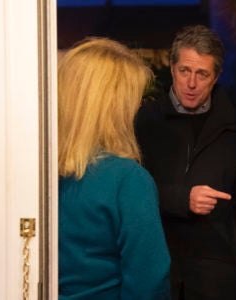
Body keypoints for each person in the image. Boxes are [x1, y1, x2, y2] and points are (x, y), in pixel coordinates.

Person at [135, 25, 236, 300]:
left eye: (202, 74)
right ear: (172, 68)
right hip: (156, 262)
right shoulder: (145, 120)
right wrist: (181, 198)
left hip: (214, 271)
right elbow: (131, 192)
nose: (191, 83)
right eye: (184, 71)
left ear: (216, 77)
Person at [58, 37, 170, 299]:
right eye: (133, 100)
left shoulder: (38, 173)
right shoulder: (127, 180)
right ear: (113, 107)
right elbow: (149, 282)